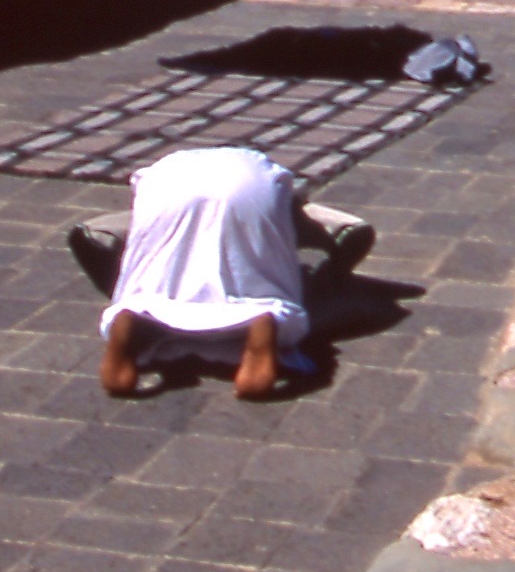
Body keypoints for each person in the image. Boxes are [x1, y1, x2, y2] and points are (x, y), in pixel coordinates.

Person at [85, 144, 359, 400]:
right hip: (250, 185)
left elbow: (85, 236)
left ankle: (137, 309)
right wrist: (334, 277)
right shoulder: (287, 198)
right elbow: (356, 231)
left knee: (151, 273)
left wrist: (114, 284)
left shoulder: (169, 168)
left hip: (168, 187)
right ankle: (264, 314)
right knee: (274, 292)